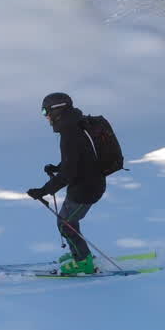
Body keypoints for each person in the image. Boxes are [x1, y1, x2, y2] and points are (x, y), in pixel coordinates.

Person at [27, 92, 106, 275]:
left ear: (57, 110)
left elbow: (68, 174)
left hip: (86, 189)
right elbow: (76, 160)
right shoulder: (72, 128)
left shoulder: (70, 133)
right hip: (83, 185)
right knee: (67, 222)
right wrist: (58, 167)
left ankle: (83, 262)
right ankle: (79, 254)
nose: (45, 116)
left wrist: (43, 191)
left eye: (45, 111)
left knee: (66, 224)